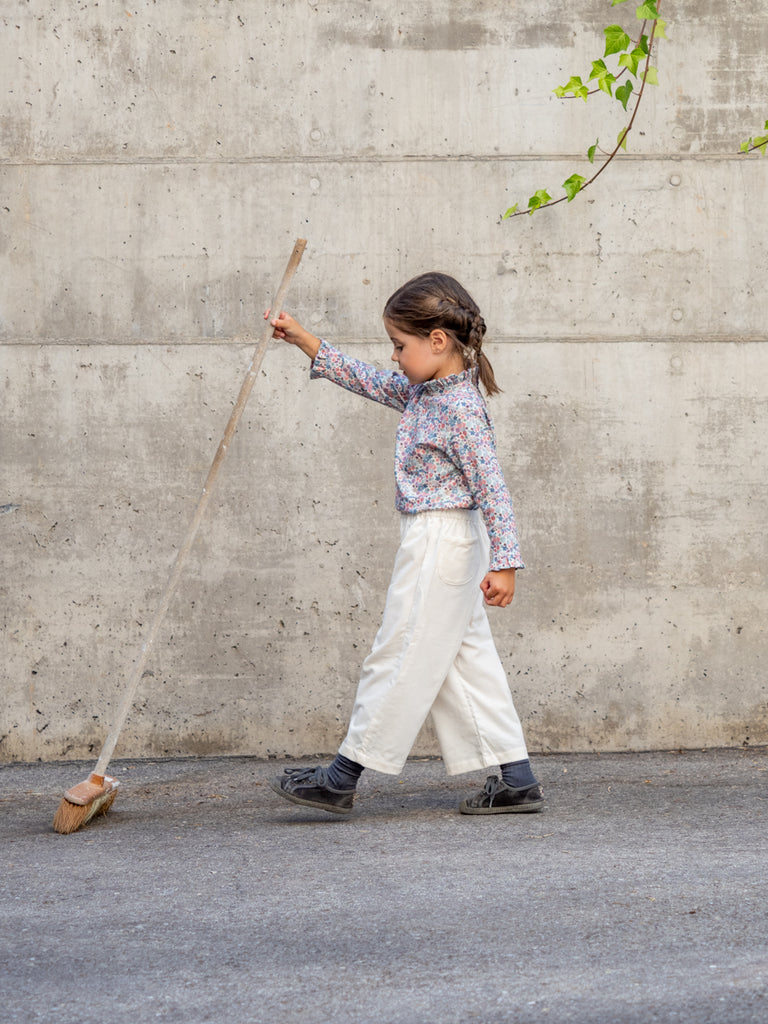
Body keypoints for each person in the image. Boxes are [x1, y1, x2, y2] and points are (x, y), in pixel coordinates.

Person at [266, 272, 542, 816]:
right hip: (448, 539)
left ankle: (342, 777)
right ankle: (517, 779)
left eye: (400, 344)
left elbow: (494, 487)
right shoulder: (429, 393)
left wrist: (508, 563)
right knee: (466, 661)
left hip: (441, 539)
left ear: (437, 341)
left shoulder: (458, 409)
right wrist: (304, 339)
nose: (393, 356)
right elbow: (368, 380)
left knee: (398, 651)